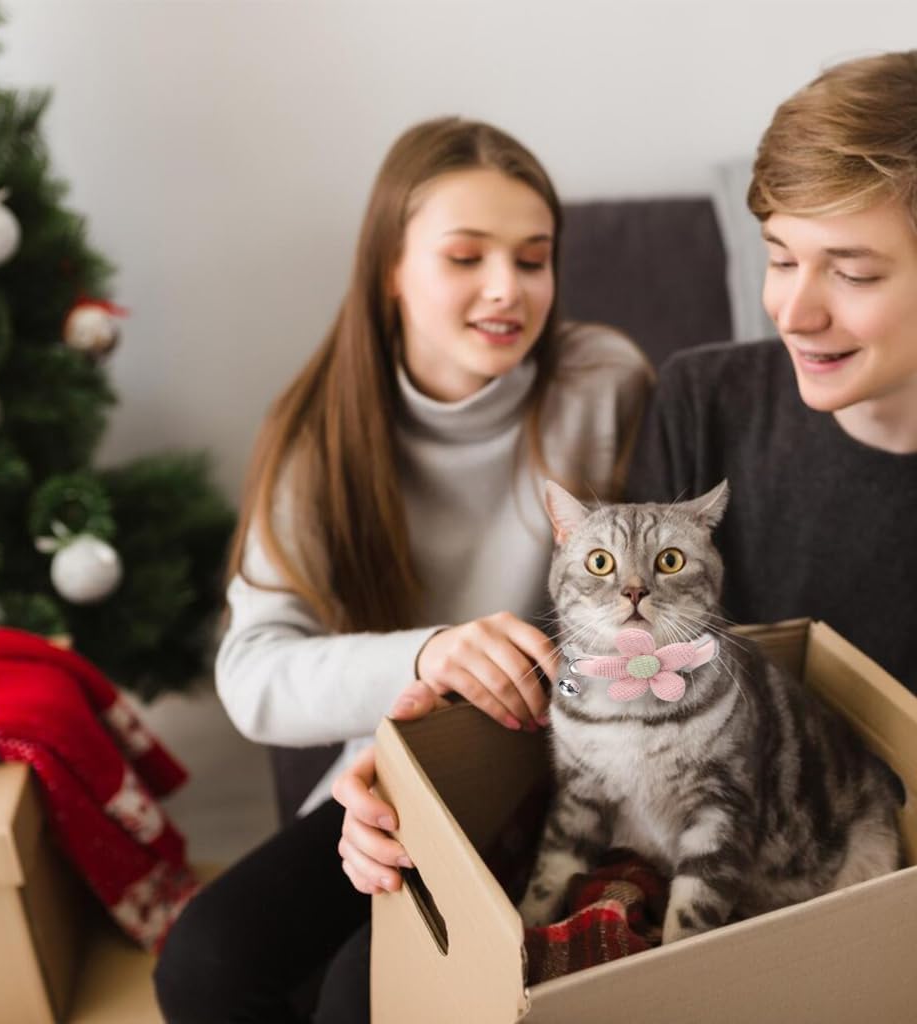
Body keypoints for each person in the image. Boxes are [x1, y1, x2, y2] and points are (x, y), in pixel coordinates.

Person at [334, 49, 917, 913]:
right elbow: (609, 664)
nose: (792, 311)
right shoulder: (703, 396)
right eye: (781, 258)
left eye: (854, 272)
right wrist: (424, 754)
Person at [152, 116, 651, 1023]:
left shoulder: (605, 383)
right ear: (390, 269)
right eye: (466, 257)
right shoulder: (317, 434)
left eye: (533, 259)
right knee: (204, 961)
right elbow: (255, 674)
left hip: (577, 773)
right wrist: (427, 660)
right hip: (410, 777)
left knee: (363, 992)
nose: (507, 289)